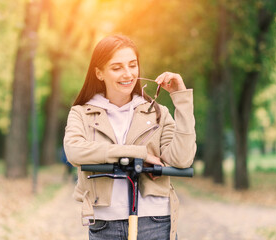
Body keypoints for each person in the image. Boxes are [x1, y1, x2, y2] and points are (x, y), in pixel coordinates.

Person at [64, 34, 196, 240]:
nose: (128, 74)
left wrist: (182, 100)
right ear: (99, 73)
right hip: (104, 225)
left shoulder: (158, 113)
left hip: (155, 221)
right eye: (117, 68)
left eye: (132, 65)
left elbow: (182, 159)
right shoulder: (81, 113)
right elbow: (74, 151)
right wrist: (138, 154)